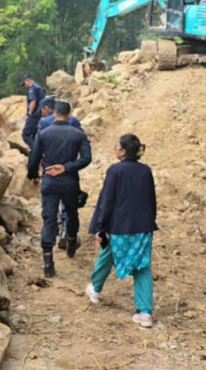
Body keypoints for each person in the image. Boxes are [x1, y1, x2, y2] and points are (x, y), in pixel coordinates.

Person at [85, 134, 157, 329]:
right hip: (142, 227)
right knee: (142, 265)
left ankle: (95, 288)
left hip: (120, 226)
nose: (115, 148)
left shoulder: (115, 171)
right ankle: (144, 312)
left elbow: (107, 201)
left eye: (117, 146)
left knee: (109, 253)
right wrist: (151, 221)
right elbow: (152, 200)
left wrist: (100, 227)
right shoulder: (145, 171)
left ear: (123, 151)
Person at [27, 100, 91, 278]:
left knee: (48, 219)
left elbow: (34, 158)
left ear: (54, 114)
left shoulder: (44, 133)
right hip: (70, 181)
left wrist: (33, 175)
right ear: (69, 115)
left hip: (49, 181)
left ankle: (48, 262)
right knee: (72, 213)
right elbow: (86, 158)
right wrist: (67, 167)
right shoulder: (78, 134)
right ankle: (71, 241)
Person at [21, 74, 46, 147]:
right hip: (39, 114)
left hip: (34, 115)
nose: (25, 86)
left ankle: (36, 151)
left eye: (24, 83)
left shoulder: (32, 88)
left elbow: (33, 101)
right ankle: (38, 152)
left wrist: (30, 113)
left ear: (27, 80)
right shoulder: (39, 87)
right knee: (35, 135)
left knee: (25, 135)